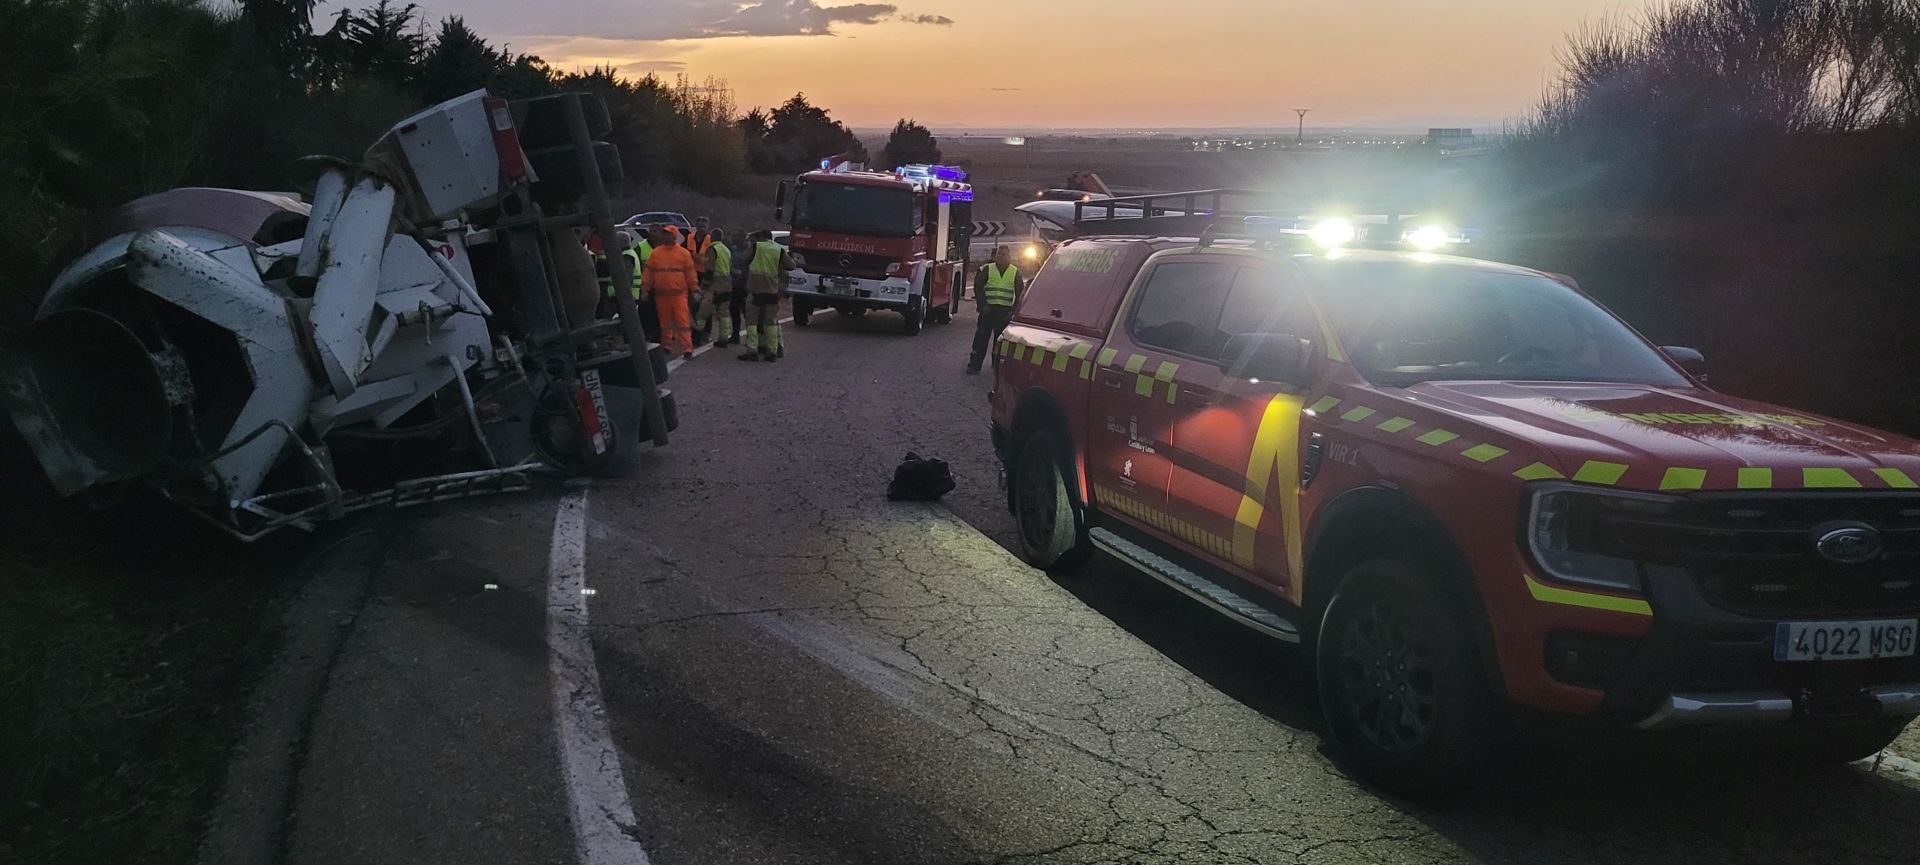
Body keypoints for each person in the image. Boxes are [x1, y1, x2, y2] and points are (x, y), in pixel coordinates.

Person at [641, 225, 699, 358]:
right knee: (664, 323)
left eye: (669, 234)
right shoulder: (656, 253)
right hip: (661, 295)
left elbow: (690, 274)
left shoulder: (683, 254)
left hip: (679, 294)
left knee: (683, 322)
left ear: (675, 236)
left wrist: (695, 290)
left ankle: (687, 349)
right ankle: (667, 346)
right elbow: (648, 273)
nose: (666, 236)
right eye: (665, 233)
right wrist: (645, 290)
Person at [966, 245, 1024, 374]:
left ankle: (997, 366)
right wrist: (982, 305)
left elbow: (1020, 293)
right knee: (981, 338)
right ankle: (974, 365)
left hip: (1004, 312)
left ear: (1009, 257)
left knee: (1000, 341)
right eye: (999, 254)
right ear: (995, 256)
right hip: (988, 310)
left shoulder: (1015, 272)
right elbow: (978, 288)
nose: (1001, 257)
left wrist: (1013, 311)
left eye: (1003, 255)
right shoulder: (987, 269)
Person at [739, 230, 794, 363]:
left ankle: (752, 350)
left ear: (762, 238)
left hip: (756, 290)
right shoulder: (779, 250)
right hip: (772, 291)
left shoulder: (757, 246)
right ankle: (772, 351)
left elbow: (744, 258)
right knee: (770, 322)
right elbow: (791, 265)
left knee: (752, 321)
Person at [694, 225, 735, 346]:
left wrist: (704, 286)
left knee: (702, 312)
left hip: (715, 285)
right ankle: (723, 338)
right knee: (723, 313)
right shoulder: (726, 249)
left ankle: (697, 335)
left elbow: (709, 269)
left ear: (711, 237)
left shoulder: (712, 249)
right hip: (727, 284)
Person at [726, 229, 752, 348]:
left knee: (747, 313)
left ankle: (751, 337)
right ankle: (735, 335)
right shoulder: (733, 250)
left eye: (737, 237)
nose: (734, 239)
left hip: (745, 286)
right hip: (734, 285)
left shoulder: (749, 251)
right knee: (734, 311)